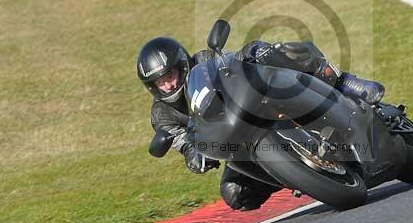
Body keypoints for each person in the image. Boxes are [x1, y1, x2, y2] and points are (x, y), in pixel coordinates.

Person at [136, 36, 383, 211]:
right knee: (235, 194)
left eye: (170, 76)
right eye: (161, 82)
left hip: (261, 105)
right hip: (237, 144)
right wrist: (195, 156)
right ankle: (296, 175)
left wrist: (254, 54)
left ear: (182, 65)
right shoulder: (163, 115)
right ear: (152, 87)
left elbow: (233, 61)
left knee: (275, 51)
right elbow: (184, 142)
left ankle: (343, 82)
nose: (168, 85)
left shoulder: (204, 59)